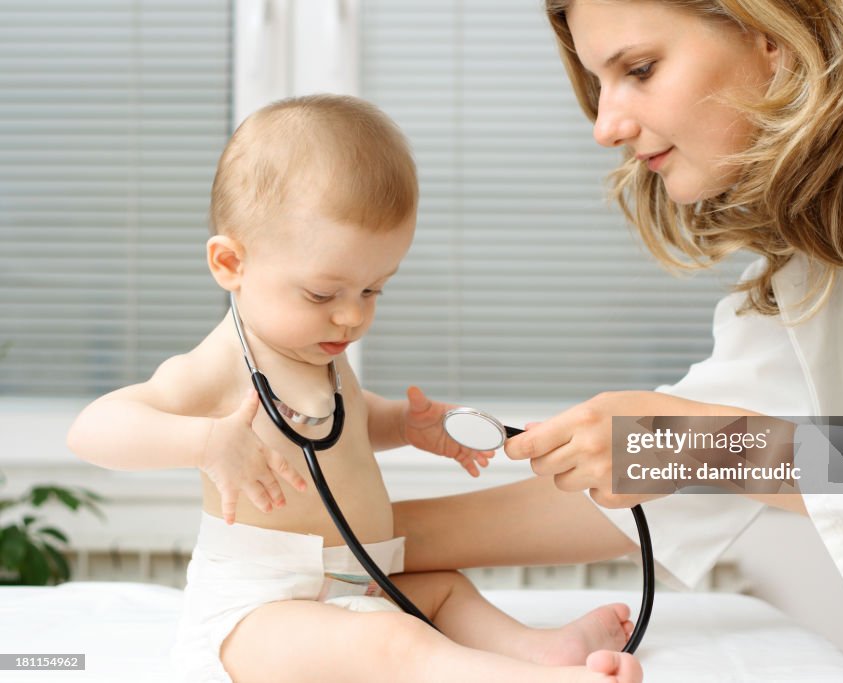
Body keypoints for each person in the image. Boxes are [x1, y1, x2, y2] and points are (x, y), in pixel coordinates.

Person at [394, 0, 843, 680]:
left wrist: (709, 442)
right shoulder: (837, 186)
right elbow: (678, 469)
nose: (606, 126)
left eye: (640, 68)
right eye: (599, 83)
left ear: (770, 32)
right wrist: (350, 537)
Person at [66, 94, 643, 683]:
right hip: (258, 615)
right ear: (230, 264)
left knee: (444, 592)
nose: (350, 317)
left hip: (360, 577)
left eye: (373, 291)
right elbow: (93, 430)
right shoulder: (220, 368)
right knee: (391, 641)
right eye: (323, 294)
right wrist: (208, 444)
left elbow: (345, 425)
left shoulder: (320, 355)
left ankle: (538, 649)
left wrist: (404, 426)